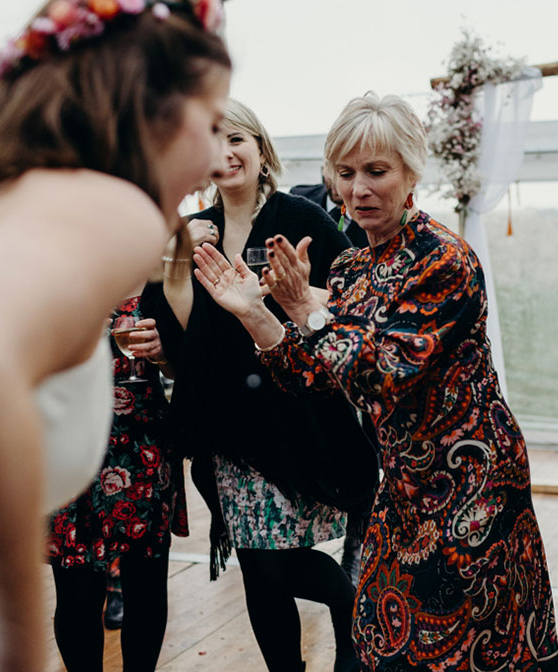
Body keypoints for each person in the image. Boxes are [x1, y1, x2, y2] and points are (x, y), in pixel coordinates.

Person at [191, 92, 558, 671]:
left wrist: (306, 311)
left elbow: (382, 375)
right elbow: (311, 376)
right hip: (403, 484)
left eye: (376, 171)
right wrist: (257, 314)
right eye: (345, 173)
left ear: (411, 171)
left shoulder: (444, 259)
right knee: (382, 636)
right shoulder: (351, 267)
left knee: (472, 650)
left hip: (471, 488)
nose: (358, 189)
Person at [0, 2, 230, 670]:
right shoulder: (114, 206)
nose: (213, 159)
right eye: (210, 123)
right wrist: (13, 639)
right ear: (149, 111)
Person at [142, 99, 377, 672]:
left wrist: (301, 298)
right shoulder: (194, 230)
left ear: (260, 149)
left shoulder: (300, 217)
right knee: (258, 566)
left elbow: (355, 297)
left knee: (278, 562)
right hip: (227, 424)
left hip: (295, 416)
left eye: (236, 139)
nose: (225, 153)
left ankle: (350, 606)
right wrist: (175, 262)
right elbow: (180, 338)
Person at [47, 291, 186, 672]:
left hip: (142, 444)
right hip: (68, 441)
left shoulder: (161, 277)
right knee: (76, 588)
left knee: (147, 583)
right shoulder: (46, 274)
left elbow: (186, 364)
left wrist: (163, 352)